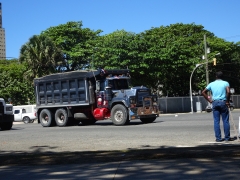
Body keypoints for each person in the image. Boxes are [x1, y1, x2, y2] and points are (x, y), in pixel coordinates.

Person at [202, 71, 233, 142]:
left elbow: (203, 92)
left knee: (216, 121)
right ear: (222, 77)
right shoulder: (225, 83)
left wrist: (209, 100)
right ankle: (227, 138)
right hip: (223, 102)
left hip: (215, 103)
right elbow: (228, 92)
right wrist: (227, 101)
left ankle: (218, 138)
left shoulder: (211, 84)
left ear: (216, 76)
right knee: (225, 121)